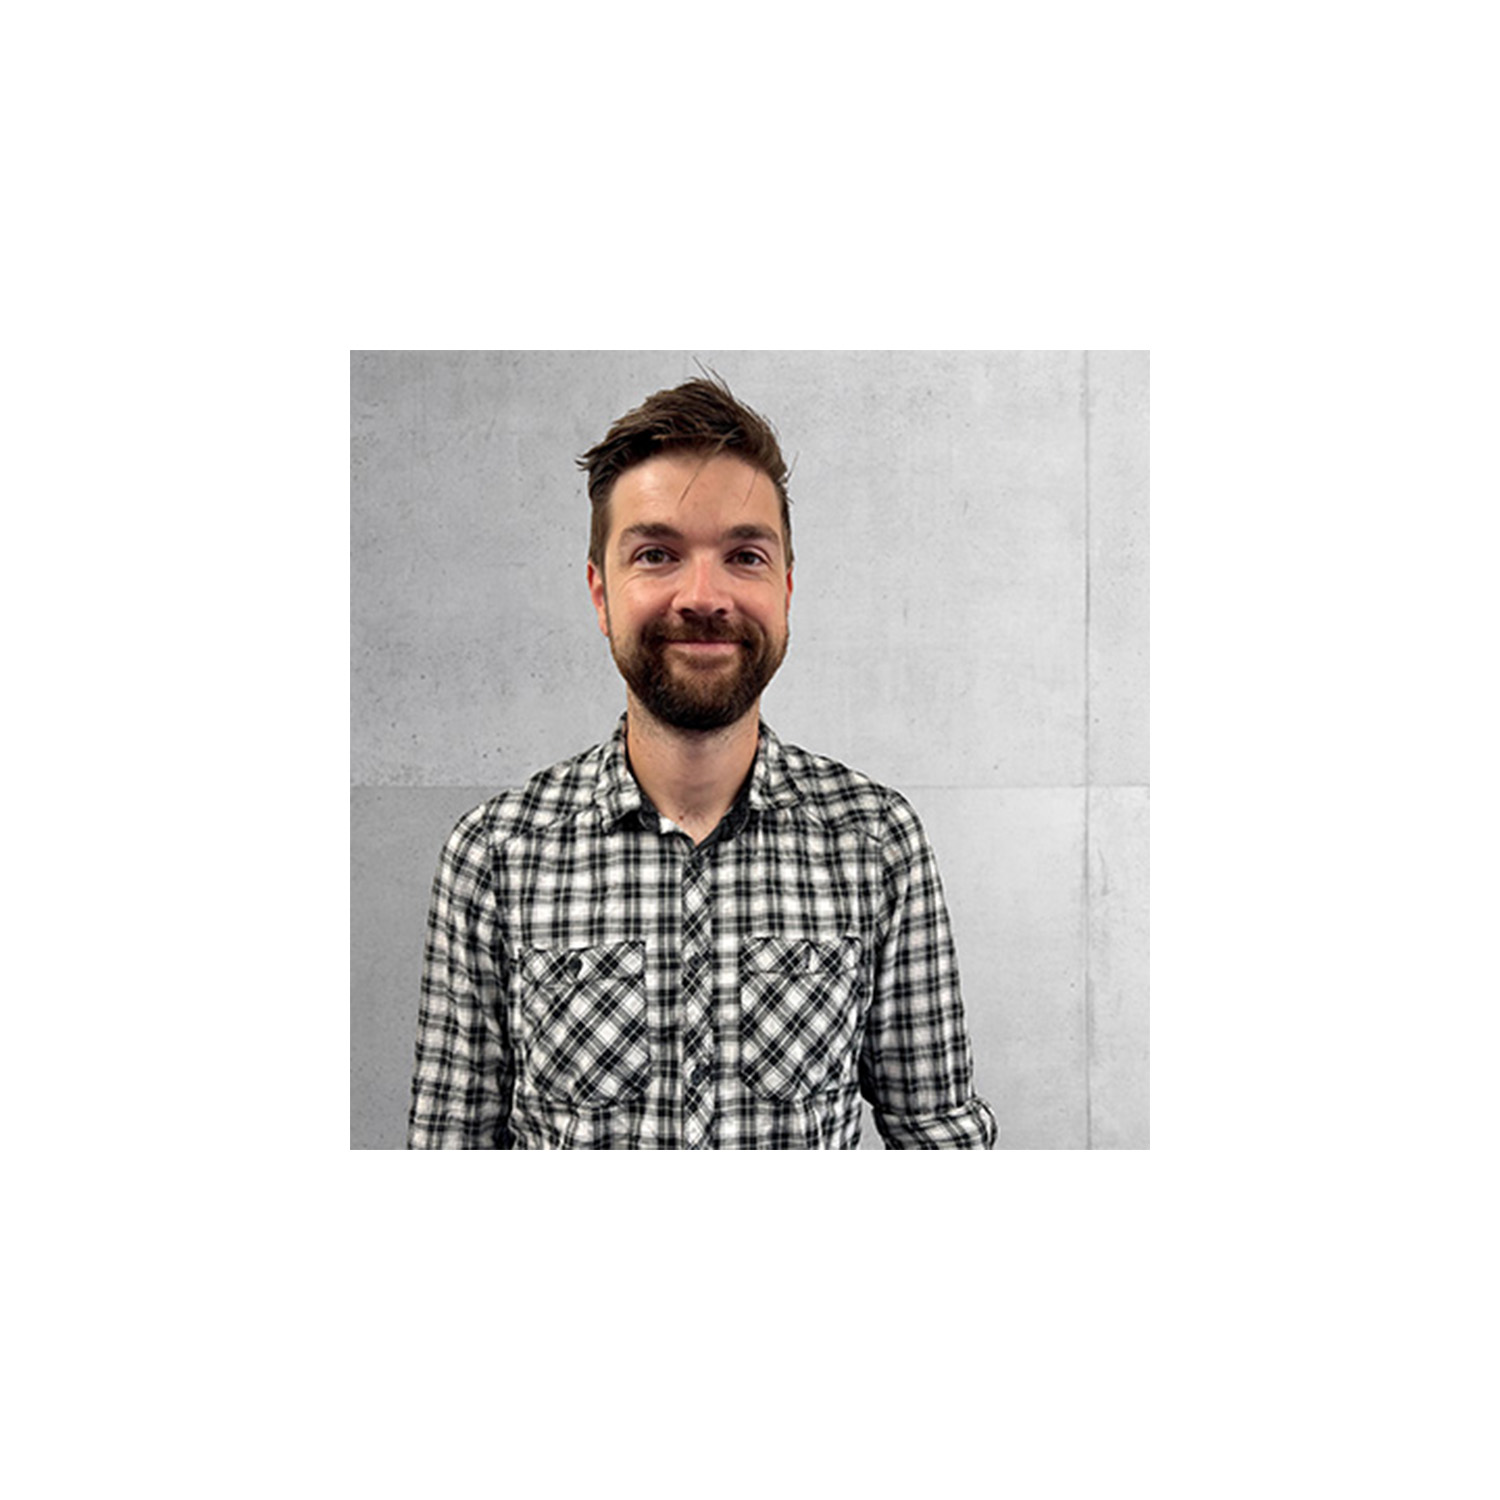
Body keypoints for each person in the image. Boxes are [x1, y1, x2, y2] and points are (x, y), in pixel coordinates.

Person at [407, 376, 997, 1149]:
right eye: (656, 553)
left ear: (786, 589)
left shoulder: (877, 841)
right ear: (600, 594)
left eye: (744, 555)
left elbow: (940, 1138)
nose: (704, 594)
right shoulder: (494, 855)